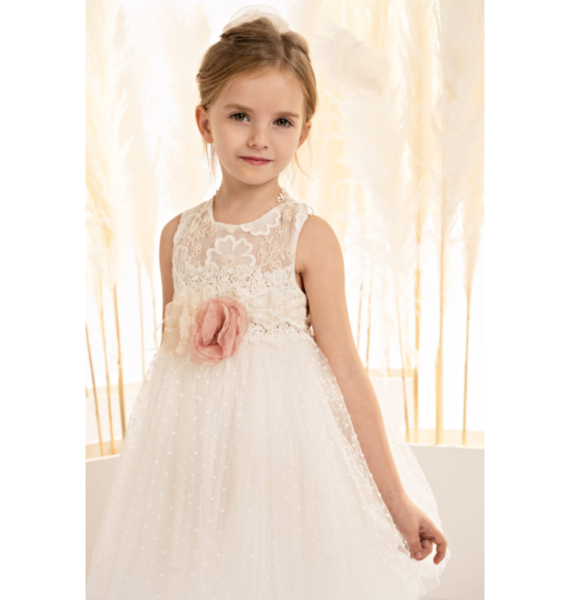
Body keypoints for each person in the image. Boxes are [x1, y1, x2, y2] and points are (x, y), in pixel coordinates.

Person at [86, 6, 450, 599]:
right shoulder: (177, 236)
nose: (260, 137)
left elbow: (348, 373)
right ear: (204, 122)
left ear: (303, 133)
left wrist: (397, 502)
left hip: (287, 466)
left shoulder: (308, 238)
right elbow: (170, 365)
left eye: (282, 121)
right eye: (239, 116)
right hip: (199, 471)